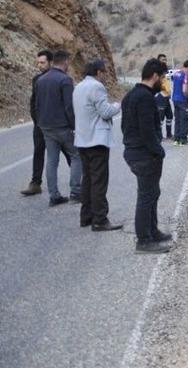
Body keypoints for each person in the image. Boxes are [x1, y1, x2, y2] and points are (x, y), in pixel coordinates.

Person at [121, 58, 172, 254]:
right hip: (144, 155)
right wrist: (158, 151)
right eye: (163, 77)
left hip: (135, 152)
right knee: (146, 196)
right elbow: (147, 131)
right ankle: (143, 240)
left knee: (152, 193)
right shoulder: (145, 98)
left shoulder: (131, 95)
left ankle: (152, 231)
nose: (164, 82)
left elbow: (125, 127)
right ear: (155, 76)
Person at [73, 59, 123, 231]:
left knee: (87, 179)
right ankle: (100, 219)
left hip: (82, 140)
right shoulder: (97, 87)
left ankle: (86, 216)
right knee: (99, 181)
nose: (105, 76)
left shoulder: (78, 87)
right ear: (99, 72)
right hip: (97, 140)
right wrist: (118, 105)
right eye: (104, 73)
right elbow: (106, 112)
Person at [35, 50, 82, 207]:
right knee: (76, 156)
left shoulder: (41, 80)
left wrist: (40, 123)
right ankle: (76, 192)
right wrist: (75, 126)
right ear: (66, 61)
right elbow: (69, 106)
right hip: (62, 127)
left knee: (52, 161)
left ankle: (54, 196)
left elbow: (37, 104)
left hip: (46, 127)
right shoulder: (65, 80)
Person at [21, 50, 70, 196]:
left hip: (58, 124)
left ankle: (80, 181)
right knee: (38, 151)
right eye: (38, 63)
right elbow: (34, 102)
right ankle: (35, 183)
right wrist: (37, 120)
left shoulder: (61, 78)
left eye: (42, 62)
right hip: (40, 124)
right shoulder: (37, 79)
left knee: (69, 152)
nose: (39, 65)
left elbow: (66, 103)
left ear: (51, 62)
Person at [171, 59, 188, 145]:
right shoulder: (186, 75)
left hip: (175, 99)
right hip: (183, 100)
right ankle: (183, 139)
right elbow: (185, 89)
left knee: (177, 119)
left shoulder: (177, 74)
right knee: (185, 119)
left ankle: (176, 138)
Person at [155, 53, 173, 140]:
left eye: (165, 60)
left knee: (170, 116)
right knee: (160, 118)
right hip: (160, 97)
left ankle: (169, 134)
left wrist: (169, 92)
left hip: (166, 97)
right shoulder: (156, 71)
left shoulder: (165, 70)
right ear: (158, 60)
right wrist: (162, 89)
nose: (164, 61)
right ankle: (159, 136)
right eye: (163, 60)